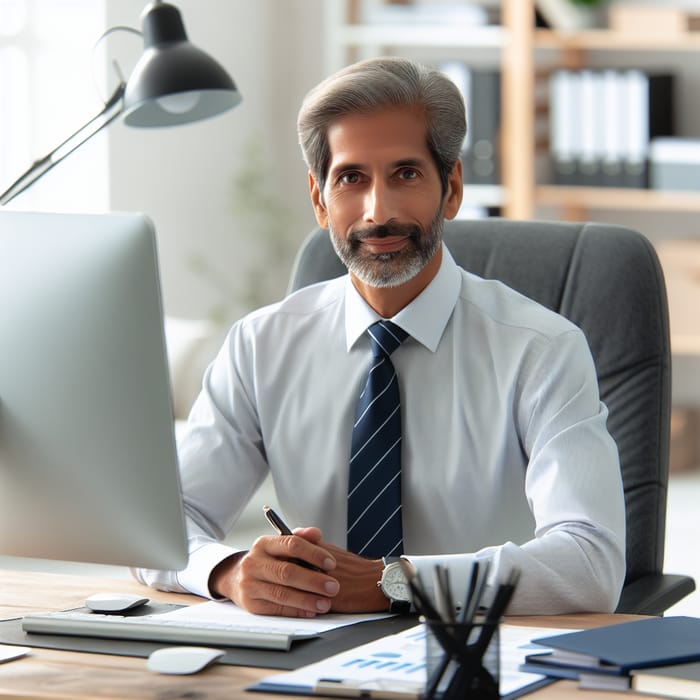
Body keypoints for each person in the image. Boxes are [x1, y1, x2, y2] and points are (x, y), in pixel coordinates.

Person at [134, 56, 625, 617]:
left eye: (406, 174)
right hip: (305, 654)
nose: (378, 212)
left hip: (474, 657)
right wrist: (227, 571)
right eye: (351, 178)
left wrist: (400, 582)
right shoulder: (260, 346)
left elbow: (592, 562)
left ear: (453, 187)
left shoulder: (541, 350)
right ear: (320, 199)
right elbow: (160, 529)